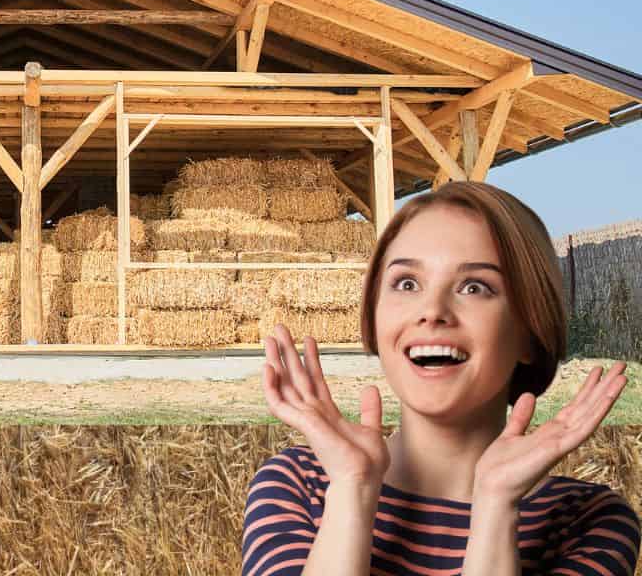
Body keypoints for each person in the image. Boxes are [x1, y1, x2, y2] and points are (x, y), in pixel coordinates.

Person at [241, 181, 639, 576]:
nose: (432, 311)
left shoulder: (588, 521)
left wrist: (496, 505)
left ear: (529, 333)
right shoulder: (295, 486)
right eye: (407, 283)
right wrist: (352, 490)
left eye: (474, 286)